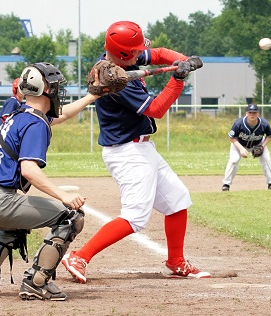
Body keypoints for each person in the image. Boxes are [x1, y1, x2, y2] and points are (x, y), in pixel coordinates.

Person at [61, 20, 209, 284]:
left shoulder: (126, 57)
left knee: (177, 201)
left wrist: (182, 60)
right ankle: (79, 256)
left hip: (142, 147)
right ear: (122, 54)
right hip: (126, 152)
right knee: (135, 217)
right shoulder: (115, 81)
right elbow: (156, 110)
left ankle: (175, 262)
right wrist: (178, 79)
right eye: (137, 52)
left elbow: (160, 53)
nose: (142, 54)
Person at [0, 62, 100, 301]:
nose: (59, 90)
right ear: (44, 89)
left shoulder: (18, 113)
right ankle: (37, 281)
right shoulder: (36, 123)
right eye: (55, 85)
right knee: (70, 217)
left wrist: (93, 95)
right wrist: (64, 196)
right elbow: (29, 170)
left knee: (15, 219)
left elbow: (63, 114)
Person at [221, 103, 271, 191]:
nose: (252, 114)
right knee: (233, 160)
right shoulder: (239, 123)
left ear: (258, 114)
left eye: (254, 112)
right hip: (239, 144)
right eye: (250, 112)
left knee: (267, 159)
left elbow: (269, 135)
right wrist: (241, 149)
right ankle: (226, 184)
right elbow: (231, 137)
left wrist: (262, 146)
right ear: (246, 113)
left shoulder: (264, 124)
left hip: (258, 143)